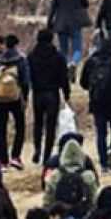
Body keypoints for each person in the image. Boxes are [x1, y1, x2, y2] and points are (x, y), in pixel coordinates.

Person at [80, 33, 111, 173]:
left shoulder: (91, 61)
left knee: (101, 133)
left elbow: (83, 83)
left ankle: (103, 164)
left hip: (97, 101)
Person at [28, 28, 71, 167]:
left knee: (38, 123)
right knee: (51, 126)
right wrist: (66, 93)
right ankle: (47, 155)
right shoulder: (58, 56)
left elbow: (28, 76)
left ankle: (37, 149)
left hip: (37, 93)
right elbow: (64, 77)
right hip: (53, 93)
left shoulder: (32, 56)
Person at [0, 34, 30, 170]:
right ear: (16, 45)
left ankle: (2, 160)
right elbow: (26, 80)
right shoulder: (21, 60)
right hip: (16, 98)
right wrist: (25, 97)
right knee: (20, 127)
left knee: (0, 129)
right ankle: (15, 156)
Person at [48, 0, 92, 75]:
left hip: (61, 23)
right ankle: (73, 63)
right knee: (77, 48)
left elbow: (52, 9)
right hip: (75, 23)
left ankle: (64, 68)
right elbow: (86, 4)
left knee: (63, 49)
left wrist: (49, 22)